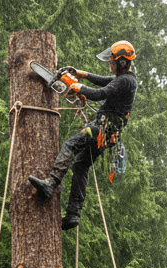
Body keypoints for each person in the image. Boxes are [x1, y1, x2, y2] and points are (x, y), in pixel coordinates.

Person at [28, 40, 138, 231]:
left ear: (121, 63)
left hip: (101, 130)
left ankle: (51, 183)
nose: (110, 65)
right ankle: (73, 214)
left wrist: (76, 86)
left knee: (70, 145)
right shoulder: (124, 79)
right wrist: (80, 74)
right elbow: (103, 81)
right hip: (107, 134)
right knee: (81, 165)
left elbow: (100, 93)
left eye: (112, 62)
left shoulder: (126, 80)